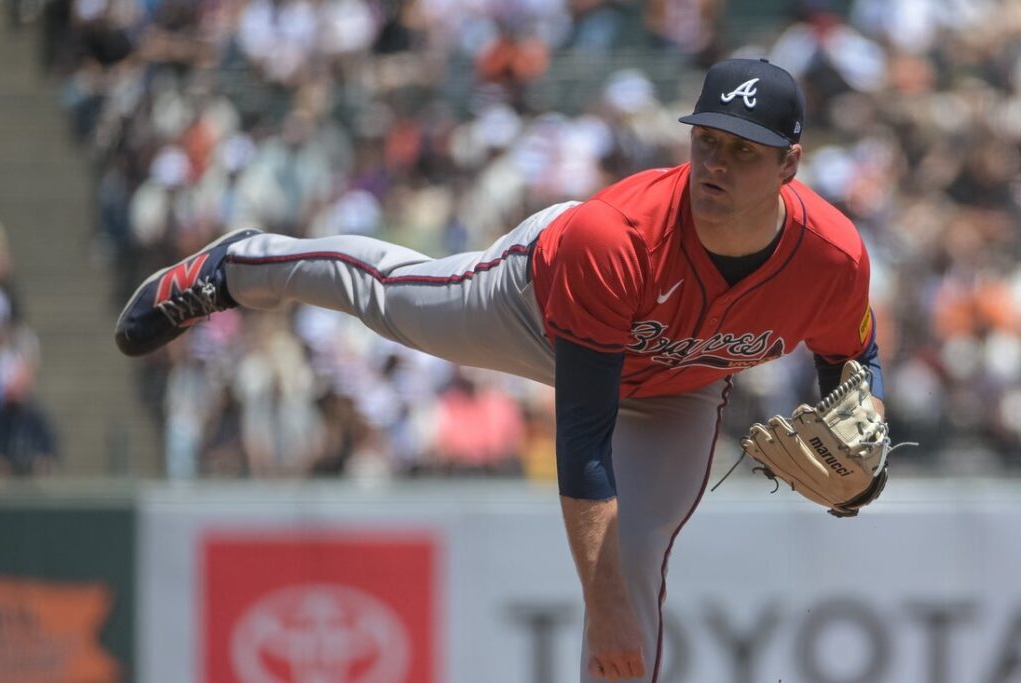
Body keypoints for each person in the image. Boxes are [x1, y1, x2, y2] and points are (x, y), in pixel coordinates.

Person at [115, 58, 887, 682]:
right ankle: (240, 265)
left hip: (678, 390)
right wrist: (601, 604)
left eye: (743, 151)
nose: (715, 163)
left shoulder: (832, 260)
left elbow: (854, 362)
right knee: (392, 297)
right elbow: (582, 437)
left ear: (790, 163)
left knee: (639, 558)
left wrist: (867, 459)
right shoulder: (615, 237)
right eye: (707, 140)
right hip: (537, 310)